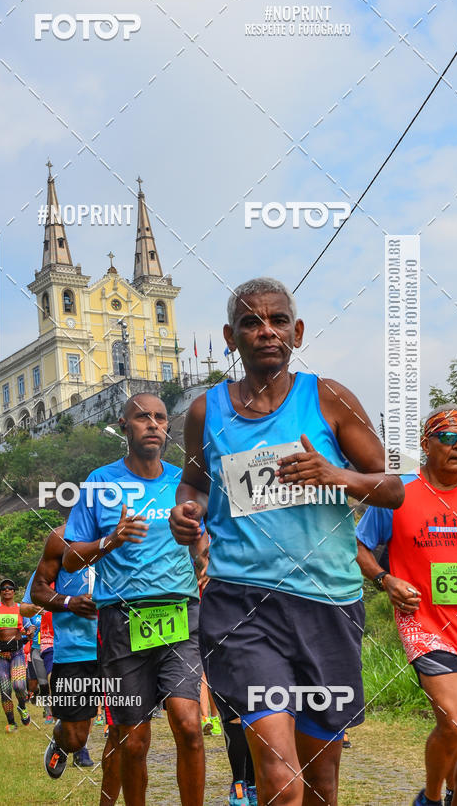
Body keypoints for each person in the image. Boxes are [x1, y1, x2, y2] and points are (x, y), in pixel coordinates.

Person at [169, 277, 404, 806]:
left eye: (277, 321)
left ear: (296, 333)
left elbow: (391, 488)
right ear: (231, 337)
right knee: (278, 775)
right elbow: (194, 484)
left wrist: (335, 475)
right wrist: (187, 511)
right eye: (252, 322)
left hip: (329, 605)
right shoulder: (206, 412)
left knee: (321, 781)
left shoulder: (330, 398)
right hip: (242, 607)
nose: (266, 331)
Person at [63, 392, 205, 806]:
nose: (153, 424)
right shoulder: (99, 484)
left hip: (180, 615)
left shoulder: (184, 483)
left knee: (189, 725)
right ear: (124, 426)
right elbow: (70, 559)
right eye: (142, 417)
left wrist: (204, 552)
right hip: (122, 621)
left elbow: (204, 543)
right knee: (134, 742)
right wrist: (111, 540)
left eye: (160, 418)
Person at [356, 404, 457, 806]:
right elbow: (360, 547)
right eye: (448, 438)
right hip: (424, 622)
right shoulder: (398, 492)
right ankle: (431, 799)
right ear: (426, 444)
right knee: (456, 720)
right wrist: (385, 579)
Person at [23, 531, 118, 786]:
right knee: (77, 739)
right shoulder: (61, 538)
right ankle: (61, 738)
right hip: (74, 651)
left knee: (125, 734)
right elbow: (36, 592)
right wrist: (68, 602)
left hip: (117, 646)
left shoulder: (124, 528)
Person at [0, 578, 34, 732]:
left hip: (17, 653)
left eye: (10, 588)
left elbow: (30, 627)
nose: (7, 590)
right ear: (1, 592)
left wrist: (30, 632)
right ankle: (11, 723)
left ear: (14, 591)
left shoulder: (21, 609)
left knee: (19, 686)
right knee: (5, 690)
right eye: (3, 588)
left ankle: (22, 707)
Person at [20, 578, 54, 723]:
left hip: (53, 645)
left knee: (51, 680)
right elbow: (26, 627)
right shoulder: (32, 612)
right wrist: (31, 630)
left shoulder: (53, 607)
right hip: (36, 649)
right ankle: (48, 711)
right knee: (42, 682)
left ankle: (54, 711)